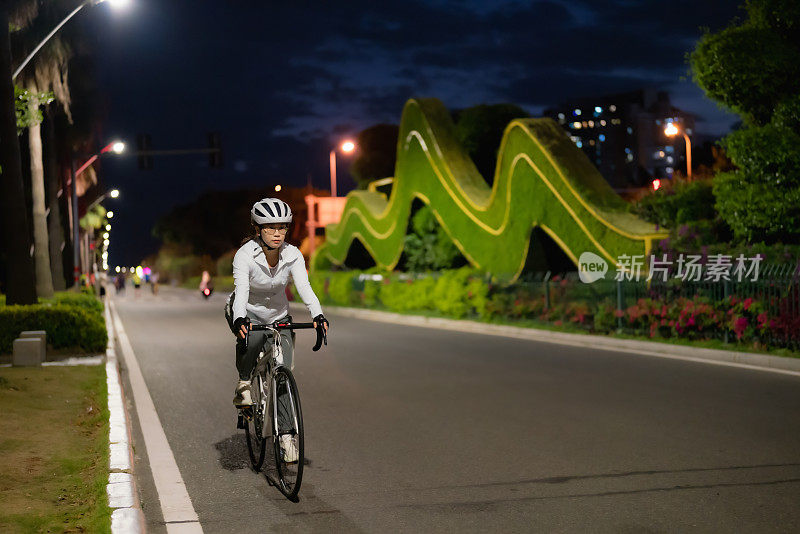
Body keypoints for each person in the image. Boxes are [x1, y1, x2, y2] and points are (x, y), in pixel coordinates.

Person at [231, 197, 329, 406]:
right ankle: (244, 383)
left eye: (282, 228)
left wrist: (318, 315)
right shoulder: (245, 255)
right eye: (270, 228)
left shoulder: (292, 254)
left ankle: (286, 436)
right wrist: (240, 318)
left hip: (279, 315)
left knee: (284, 370)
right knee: (253, 338)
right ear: (258, 229)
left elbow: (303, 286)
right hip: (250, 312)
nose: (277, 233)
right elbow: (241, 291)